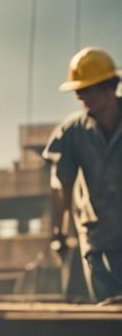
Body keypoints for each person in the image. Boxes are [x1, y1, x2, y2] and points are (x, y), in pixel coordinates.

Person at [43, 48, 122, 302]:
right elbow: (61, 187)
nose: (81, 98)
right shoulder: (73, 133)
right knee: (109, 315)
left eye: (85, 90)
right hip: (99, 241)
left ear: (107, 87)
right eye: (79, 92)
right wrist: (59, 233)